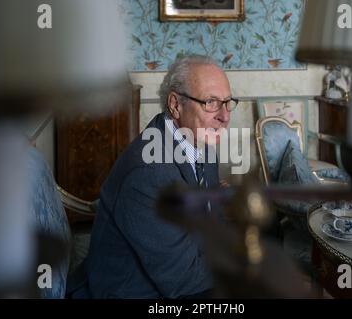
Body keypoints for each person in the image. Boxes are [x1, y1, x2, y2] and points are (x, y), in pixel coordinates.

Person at [80, 55, 237, 298]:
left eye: (227, 102)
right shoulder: (150, 174)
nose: (225, 116)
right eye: (211, 102)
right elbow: (183, 279)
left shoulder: (200, 144)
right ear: (175, 105)